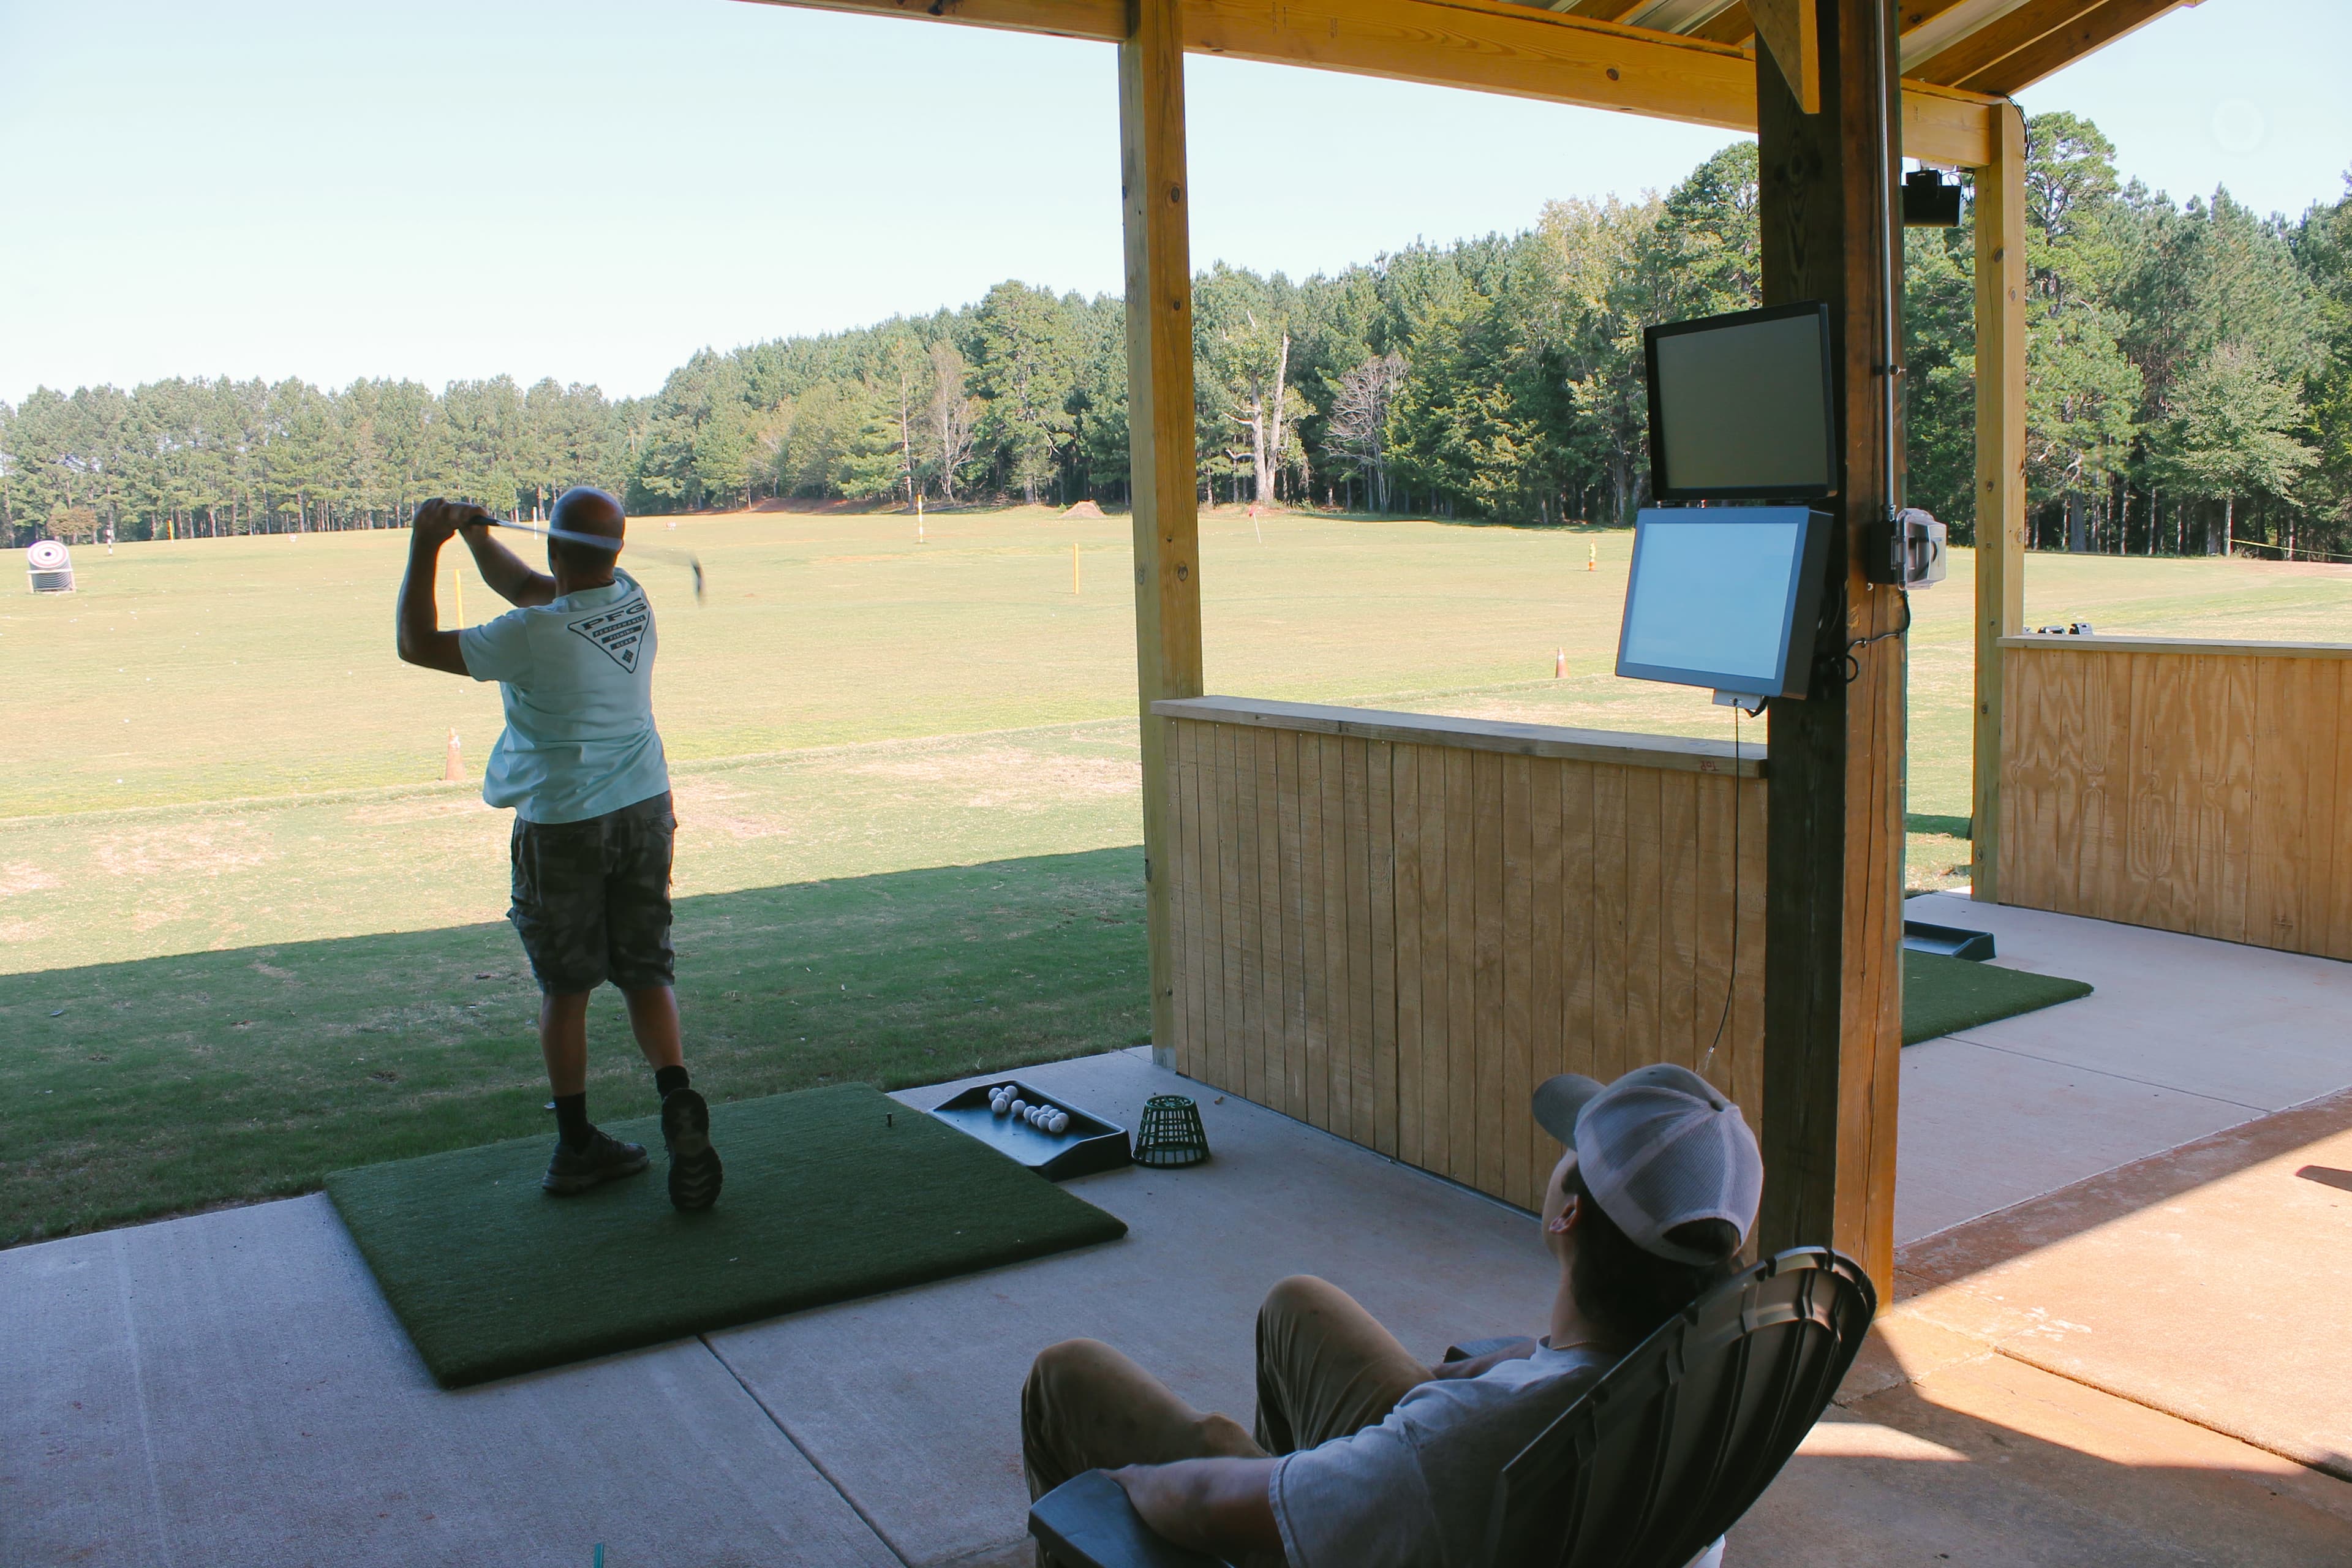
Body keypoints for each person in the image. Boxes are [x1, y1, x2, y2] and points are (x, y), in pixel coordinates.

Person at [1020, 1063, 1762, 1567]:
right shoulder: (1715, 1367)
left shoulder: (1462, 1444)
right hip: (1514, 1508)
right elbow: (1547, 1381)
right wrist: (1513, 1364)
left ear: (1569, 1213)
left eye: (1571, 1151)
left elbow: (1208, 1503)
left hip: (1423, 1512)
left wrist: (1128, 1484)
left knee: (1069, 1378)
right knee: (1298, 1305)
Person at [394, 488, 722, 1210]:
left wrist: (428, 543)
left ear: (552, 547)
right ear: (618, 552)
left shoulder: (530, 635)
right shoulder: (633, 599)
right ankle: (676, 1096)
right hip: (643, 810)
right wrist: (480, 540)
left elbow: (417, 643)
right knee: (645, 967)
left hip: (564, 826)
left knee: (566, 987)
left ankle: (577, 1144)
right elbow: (532, 584)